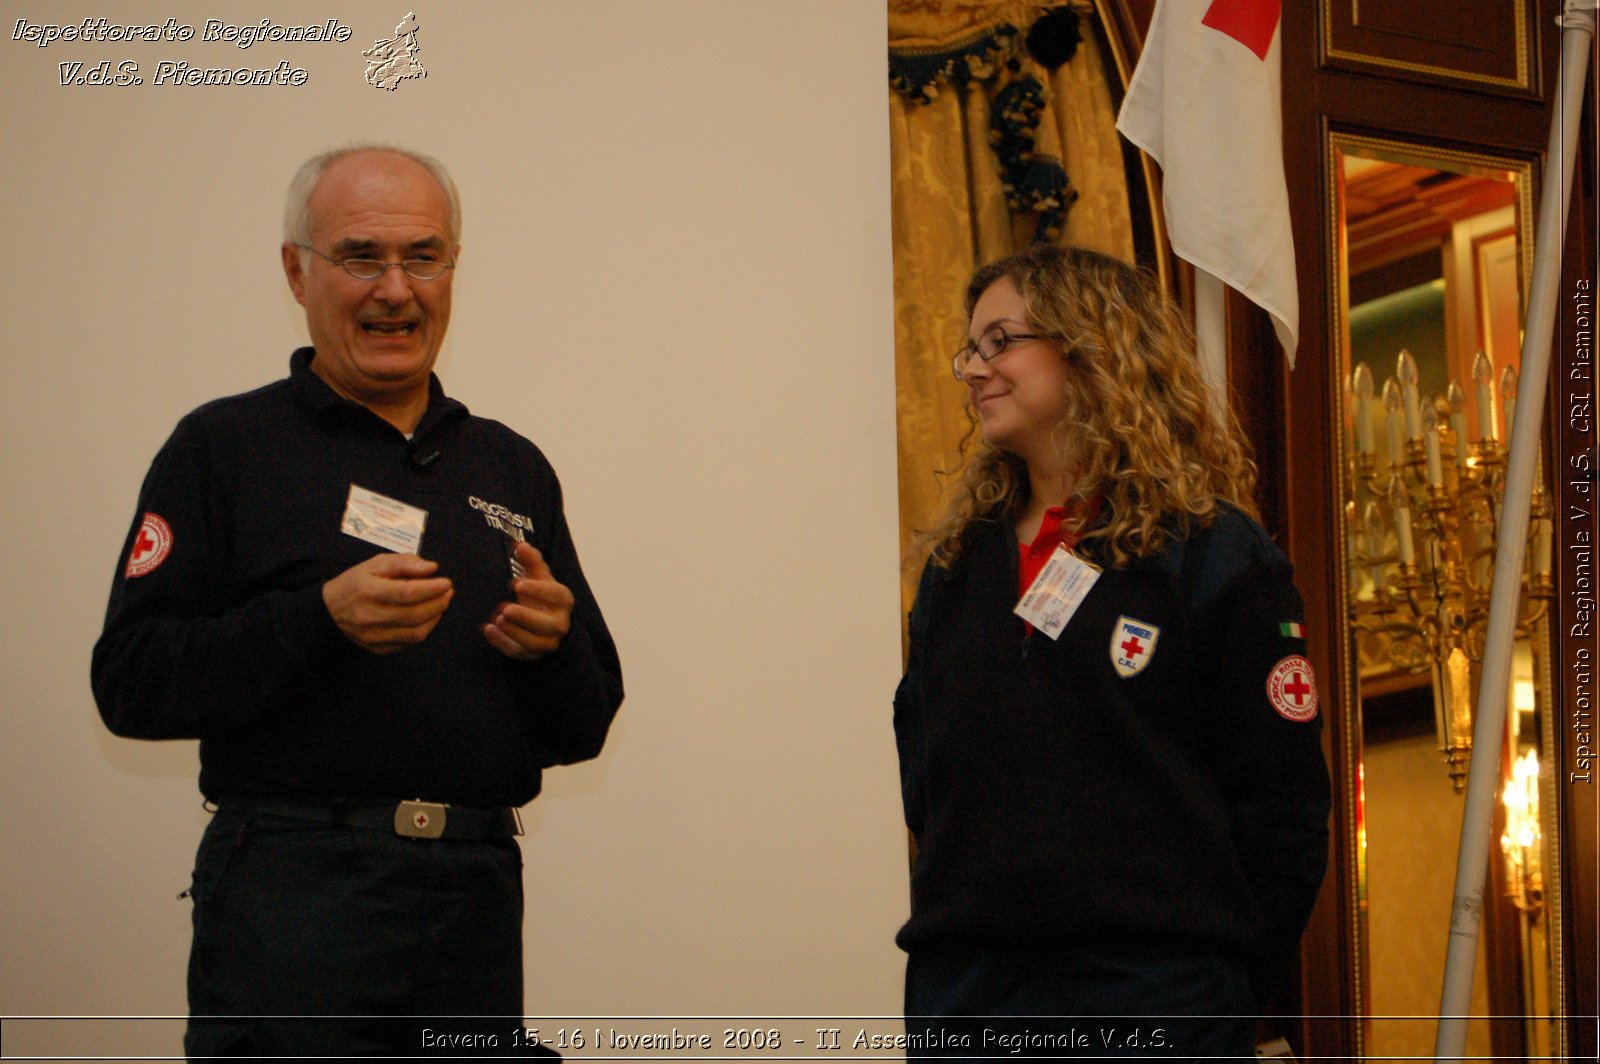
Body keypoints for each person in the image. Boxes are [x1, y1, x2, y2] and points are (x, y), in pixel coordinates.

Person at [91, 145, 623, 1058]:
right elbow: (131, 683)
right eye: (360, 256)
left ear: (453, 269)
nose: (395, 289)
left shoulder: (509, 464)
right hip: (294, 902)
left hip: (475, 903)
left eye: (423, 257)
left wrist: (554, 649)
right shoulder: (224, 448)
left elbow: (585, 722)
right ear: (297, 271)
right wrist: (316, 623)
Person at [893, 245, 1329, 1061]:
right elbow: (931, 784)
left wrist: (1212, 984)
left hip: (1155, 1003)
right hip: (970, 1005)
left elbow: (1285, 813)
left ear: (1090, 344)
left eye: (1000, 342)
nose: (973, 369)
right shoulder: (957, 570)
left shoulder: (1213, 556)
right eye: (969, 349)